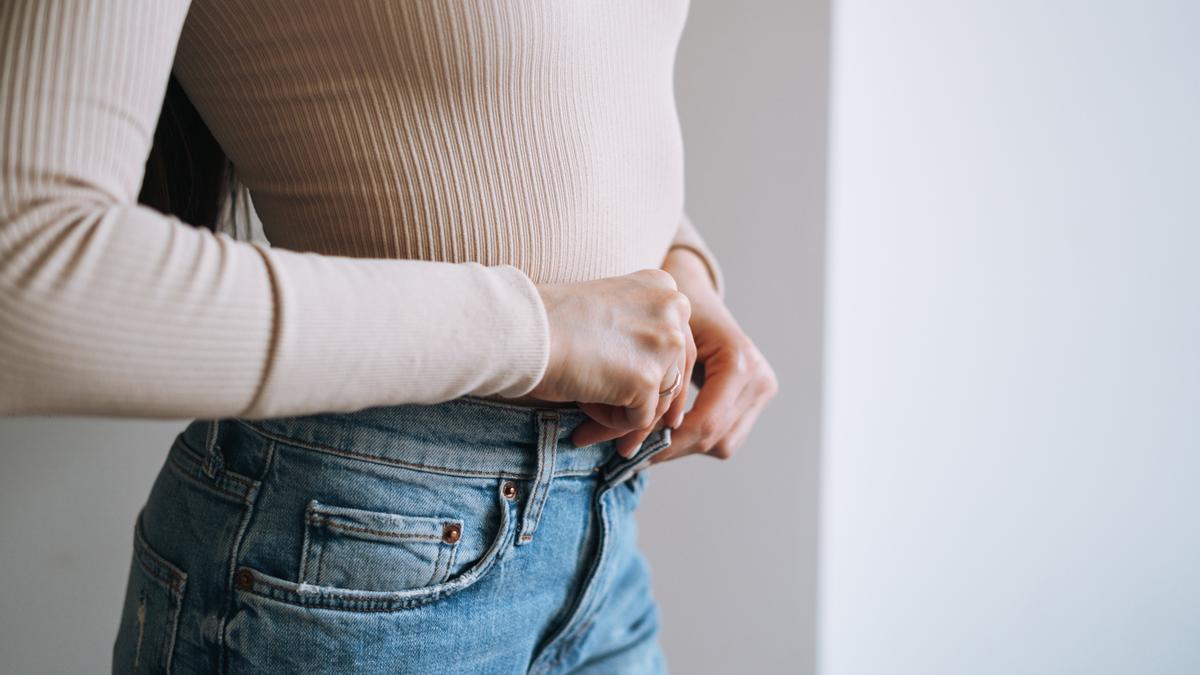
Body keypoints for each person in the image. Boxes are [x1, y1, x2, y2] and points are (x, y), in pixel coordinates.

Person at [0, 1, 778, 672]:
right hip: (356, 558)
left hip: (599, 527)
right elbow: (27, 273)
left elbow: (542, 86)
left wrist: (681, 276)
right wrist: (537, 329)